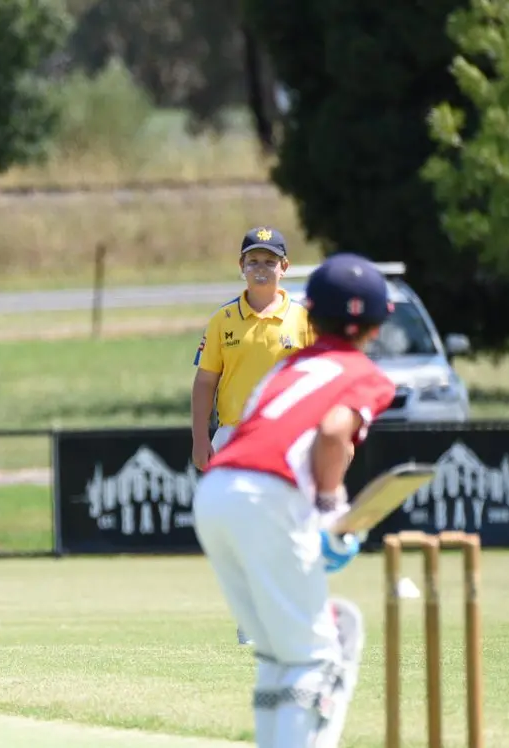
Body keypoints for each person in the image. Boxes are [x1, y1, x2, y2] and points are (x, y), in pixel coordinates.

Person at [191, 253, 397, 748]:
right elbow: (333, 433)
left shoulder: (286, 367)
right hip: (267, 496)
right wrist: (328, 509)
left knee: (278, 656)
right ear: (376, 326)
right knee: (318, 656)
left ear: (312, 315)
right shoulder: (367, 375)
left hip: (216, 494)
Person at [190, 226, 315, 647]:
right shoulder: (222, 320)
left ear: (285, 267)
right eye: (253, 261)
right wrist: (200, 438)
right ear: (241, 267)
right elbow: (205, 383)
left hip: (288, 436)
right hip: (236, 437)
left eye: (269, 261)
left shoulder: (304, 320)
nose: (261, 269)